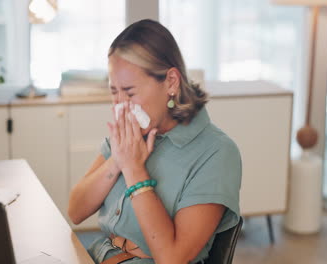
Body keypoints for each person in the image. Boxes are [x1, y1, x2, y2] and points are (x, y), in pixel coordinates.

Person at [68, 19, 242, 264]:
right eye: (114, 91)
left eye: (129, 92)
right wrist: (117, 161)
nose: (119, 104)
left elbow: (172, 259)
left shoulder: (217, 153)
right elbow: (76, 211)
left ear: (171, 82)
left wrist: (134, 170)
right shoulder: (129, 136)